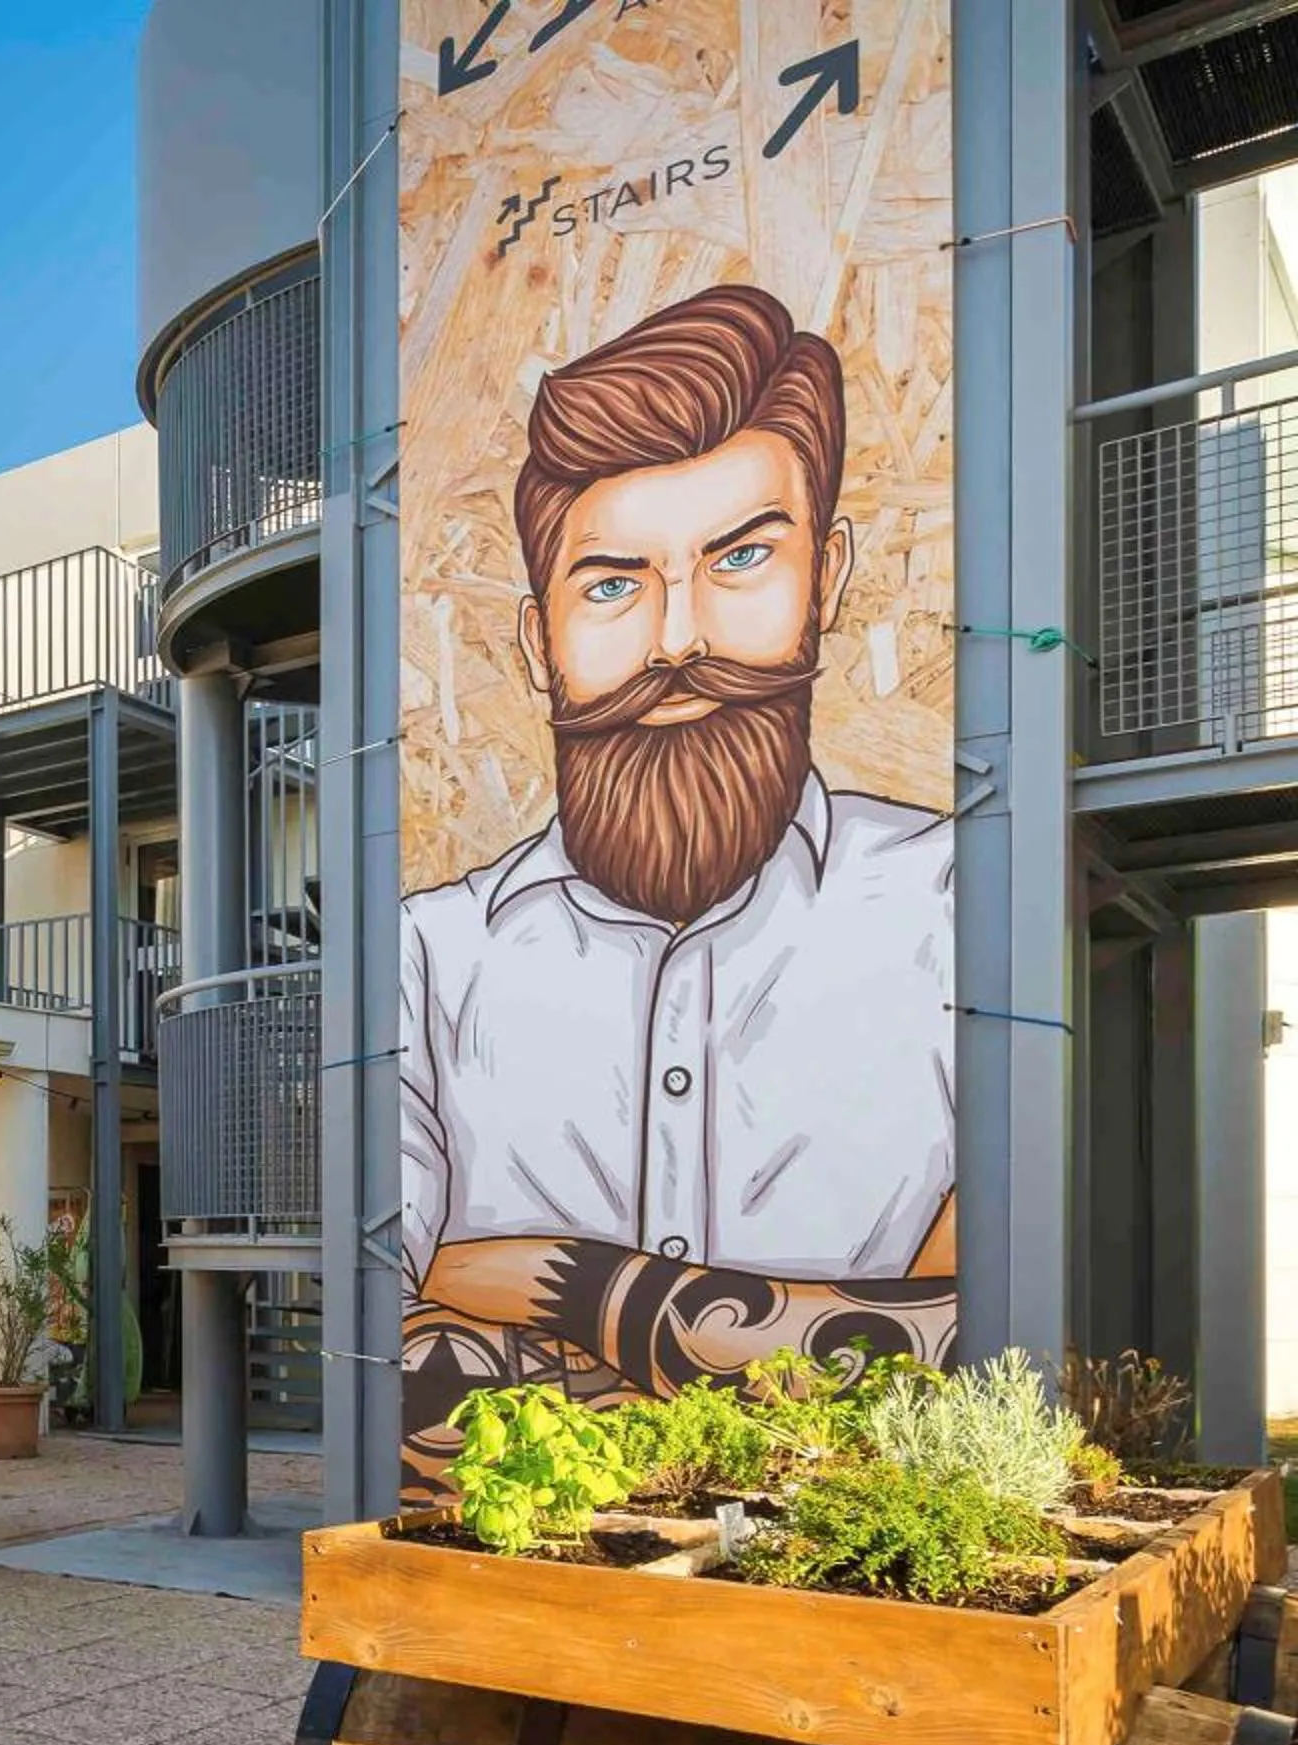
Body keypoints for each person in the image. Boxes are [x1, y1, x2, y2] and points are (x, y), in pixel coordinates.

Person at [398, 283, 954, 1484]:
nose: (677, 640)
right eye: (612, 585)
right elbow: (392, 1365)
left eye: (743, 557)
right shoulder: (427, 957)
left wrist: (578, 1288)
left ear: (831, 575)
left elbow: (970, 1347)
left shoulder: (955, 908)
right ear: (535, 641)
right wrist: (817, 1325)